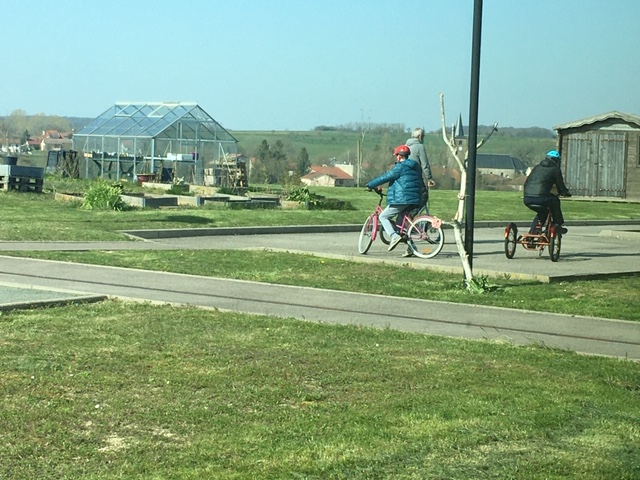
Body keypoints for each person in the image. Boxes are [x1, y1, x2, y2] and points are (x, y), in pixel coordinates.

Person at [366, 145, 424, 252]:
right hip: (415, 198)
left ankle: (393, 236)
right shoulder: (416, 167)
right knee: (402, 224)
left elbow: (386, 177)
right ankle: (412, 248)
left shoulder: (400, 167)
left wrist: (370, 184)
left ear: (398, 156)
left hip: (402, 199)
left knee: (383, 216)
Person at [404, 128, 435, 257]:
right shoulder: (419, 147)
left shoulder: (405, 146)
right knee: (423, 196)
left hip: (405, 180)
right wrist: (430, 178)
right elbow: (425, 164)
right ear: (420, 136)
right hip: (416, 179)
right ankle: (411, 218)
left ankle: (408, 219)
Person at [523, 150, 571, 234]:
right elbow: (560, 185)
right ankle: (558, 224)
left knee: (543, 212)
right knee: (555, 200)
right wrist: (565, 192)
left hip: (527, 198)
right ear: (557, 160)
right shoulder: (555, 169)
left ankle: (534, 233)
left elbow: (527, 182)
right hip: (541, 198)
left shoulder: (537, 167)